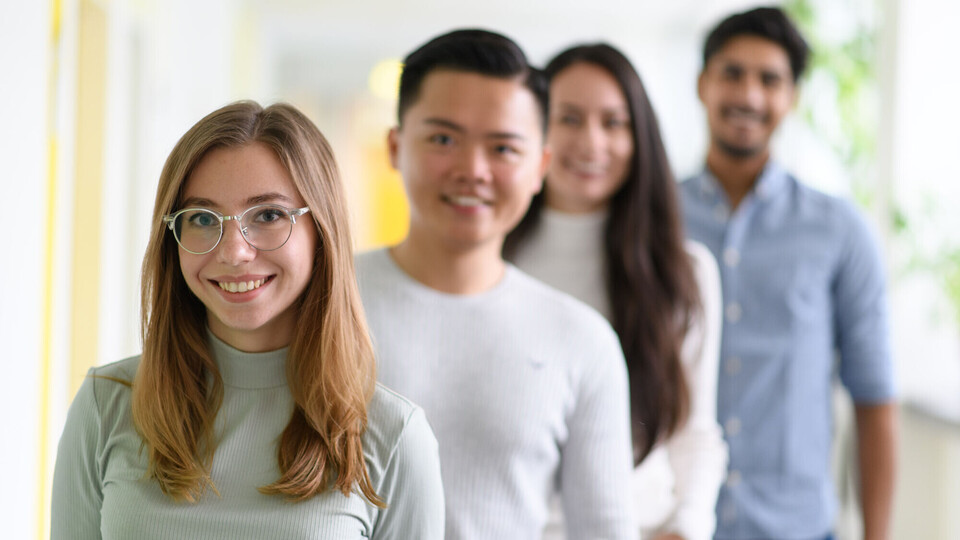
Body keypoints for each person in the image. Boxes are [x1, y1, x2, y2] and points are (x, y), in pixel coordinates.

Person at [51, 101, 445, 539]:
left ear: (322, 230)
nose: (234, 251)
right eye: (202, 218)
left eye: (269, 215)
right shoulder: (105, 408)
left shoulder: (394, 437)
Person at [355, 29, 637, 539]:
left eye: (504, 148)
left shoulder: (581, 341)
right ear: (395, 147)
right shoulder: (322, 302)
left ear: (540, 168)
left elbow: (606, 530)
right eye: (443, 139)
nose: (472, 170)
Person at [679, 7, 898, 540]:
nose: (749, 96)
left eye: (770, 80)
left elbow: (874, 400)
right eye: (732, 73)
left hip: (794, 529)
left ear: (792, 98)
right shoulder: (651, 218)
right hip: (673, 524)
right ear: (702, 83)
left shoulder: (840, 229)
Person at [505, 43, 727, 540]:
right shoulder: (493, 263)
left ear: (640, 138)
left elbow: (695, 435)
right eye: (569, 118)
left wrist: (688, 525)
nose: (591, 143)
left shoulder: (685, 273)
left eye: (613, 123)